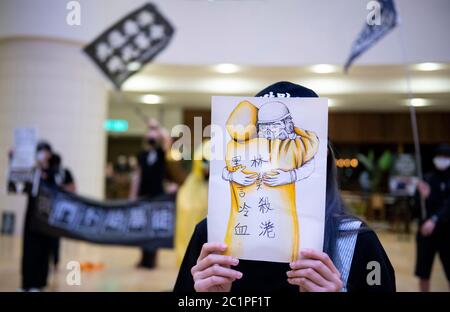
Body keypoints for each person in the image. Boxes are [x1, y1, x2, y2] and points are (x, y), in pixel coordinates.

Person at [174, 81, 396, 292]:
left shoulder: (355, 241)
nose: (273, 154)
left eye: (280, 139)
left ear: (323, 157)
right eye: (262, 142)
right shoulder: (212, 238)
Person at [20, 142, 76, 291]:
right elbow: (17, 183)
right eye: (40, 152)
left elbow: (69, 189)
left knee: (44, 250)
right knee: (29, 250)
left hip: (48, 217)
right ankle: (26, 283)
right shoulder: (32, 171)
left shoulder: (56, 172)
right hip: (32, 217)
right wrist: (14, 158)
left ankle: (39, 283)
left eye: (45, 152)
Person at [129, 118, 171, 269]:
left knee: (154, 228)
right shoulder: (141, 155)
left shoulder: (161, 153)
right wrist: (132, 196)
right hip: (143, 196)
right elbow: (137, 176)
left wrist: (157, 126)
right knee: (142, 227)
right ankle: (143, 258)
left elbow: (167, 139)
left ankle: (152, 259)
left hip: (158, 196)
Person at [415, 144, 450, 291]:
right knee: (423, 272)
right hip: (426, 233)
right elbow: (417, 206)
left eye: (445, 157)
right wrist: (419, 195)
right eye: (439, 157)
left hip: (447, 232)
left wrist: (434, 219)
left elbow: (447, 205)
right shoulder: (427, 178)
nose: (442, 160)